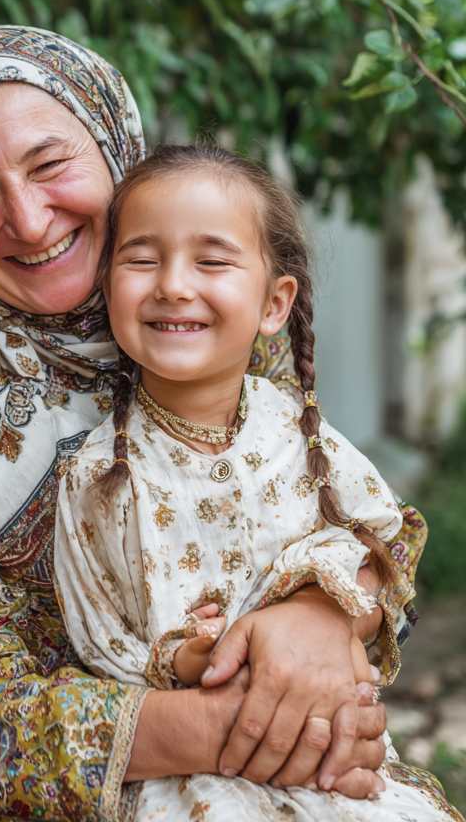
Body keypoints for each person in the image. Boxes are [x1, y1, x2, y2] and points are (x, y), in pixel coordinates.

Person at [0, 25, 436, 822]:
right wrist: (228, 731)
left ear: (114, 154)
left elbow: (343, 519)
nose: (30, 221)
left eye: (51, 167)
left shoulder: (194, 319)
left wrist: (322, 619)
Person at [55, 144, 459, 820]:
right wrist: (188, 659)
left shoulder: (300, 434)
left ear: (275, 303)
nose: (173, 285)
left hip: (328, 743)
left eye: (211, 261)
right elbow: (100, 639)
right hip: (190, 773)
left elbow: (382, 544)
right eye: (142, 259)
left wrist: (329, 614)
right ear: (107, 289)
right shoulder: (100, 476)